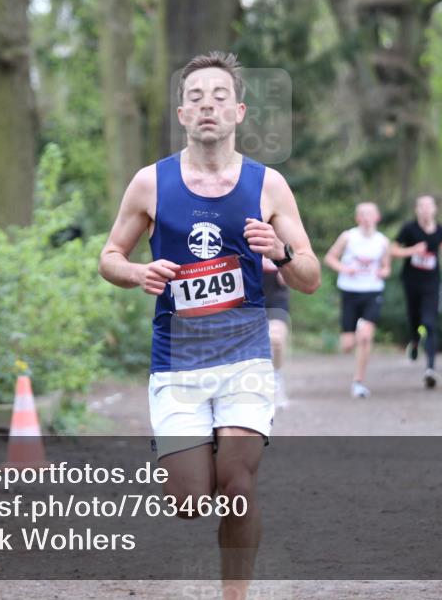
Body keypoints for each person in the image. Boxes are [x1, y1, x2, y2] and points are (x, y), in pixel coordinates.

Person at [98, 51, 320, 600]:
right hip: (177, 362)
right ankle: (203, 451)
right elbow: (108, 256)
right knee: (190, 502)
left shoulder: (269, 185)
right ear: (181, 113)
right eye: (196, 97)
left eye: (219, 97)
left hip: (244, 356)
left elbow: (311, 277)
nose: (207, 106)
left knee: (238, 487)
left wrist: (284, 252)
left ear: (239, 111)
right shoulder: (151, 183)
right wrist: (135, 272)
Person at [323, 202, 391, 398]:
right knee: (347, 344)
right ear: (357, 218)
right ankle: (354, 332)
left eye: (371, 214)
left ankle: (358, 382)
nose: (367, 218)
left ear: (377, 217)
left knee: (366, 337)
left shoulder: (382, 241)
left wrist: (382, 272)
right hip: (350, 292)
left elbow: (387, 268)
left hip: (372, 291)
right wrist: (345, 269)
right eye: (363, 214)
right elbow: (330, 258)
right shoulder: (348, 237)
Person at [389, 195, 442, 388]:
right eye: (422, 206)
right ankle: (415, 341)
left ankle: (430, 369)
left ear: (435, 209)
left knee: (429, 322)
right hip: (411, 283)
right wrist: (412, 251)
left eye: (429, 206)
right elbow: (392, 250)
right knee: (415, 322)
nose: (426, 210)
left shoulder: (441, 230)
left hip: (431, 284)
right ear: (417, 210)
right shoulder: (409, 229)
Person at [262, 256, 292, 409]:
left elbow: (290, 279)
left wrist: (283, 264)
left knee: (276, 340)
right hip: (247, 299)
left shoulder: (282, 239)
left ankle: (276, 378)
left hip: (276, 300)